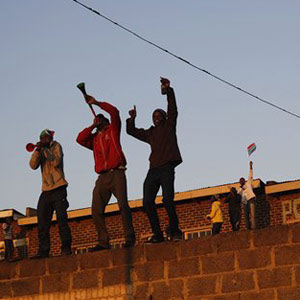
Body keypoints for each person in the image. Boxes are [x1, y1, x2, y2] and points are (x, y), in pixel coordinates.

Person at [126, 77, 183, 243]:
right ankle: (158, 235)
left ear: (164, 117)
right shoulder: (150, 133)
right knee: (147, 202)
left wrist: (168, 90)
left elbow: (173, 108)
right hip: (153, 170)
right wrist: (132, 119)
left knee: (167, 199)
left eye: (159, 115)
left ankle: (175, 230)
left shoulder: (169, 126)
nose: (156, 117)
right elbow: (132, 132)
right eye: (154, 116)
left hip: (166, 168)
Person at [76, 96, 135, 250]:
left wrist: (96, 103)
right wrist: (92, 126)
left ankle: (129, 238)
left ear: (107, 121)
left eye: (101, 118)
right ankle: (103, 241)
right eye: (98, 119)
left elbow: (114, 112)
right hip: (102, 177)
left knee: (123, 205)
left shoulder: (113, 130)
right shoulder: (95, 139)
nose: (99, 120)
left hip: (117, 173)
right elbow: (80, 139)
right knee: (96, 210)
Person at [29, 129, 72, 258]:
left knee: (61, 219)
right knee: (42, 221)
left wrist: (45, 150)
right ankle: (44, 250)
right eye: (42, 138)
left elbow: (56, 162)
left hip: (59, 187)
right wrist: (37, 150)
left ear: (50, 138)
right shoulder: (41, 150)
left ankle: (66, 247)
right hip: (46, 190)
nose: (44, 140)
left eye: (46, 138)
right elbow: (32, 165)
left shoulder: (56, 146)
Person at [238, 161, 256, 230]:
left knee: (252, 214)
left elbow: (251, 174)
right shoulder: (239, 190)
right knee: (246, 216)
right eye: (240, 181)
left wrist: (251, 166)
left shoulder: (248, 183)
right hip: (245, 202)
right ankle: (248, 228)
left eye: (242, 180)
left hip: (251, 199)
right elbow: (237, 194)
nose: (241, 181)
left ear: (244, 181)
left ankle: (253, 228)